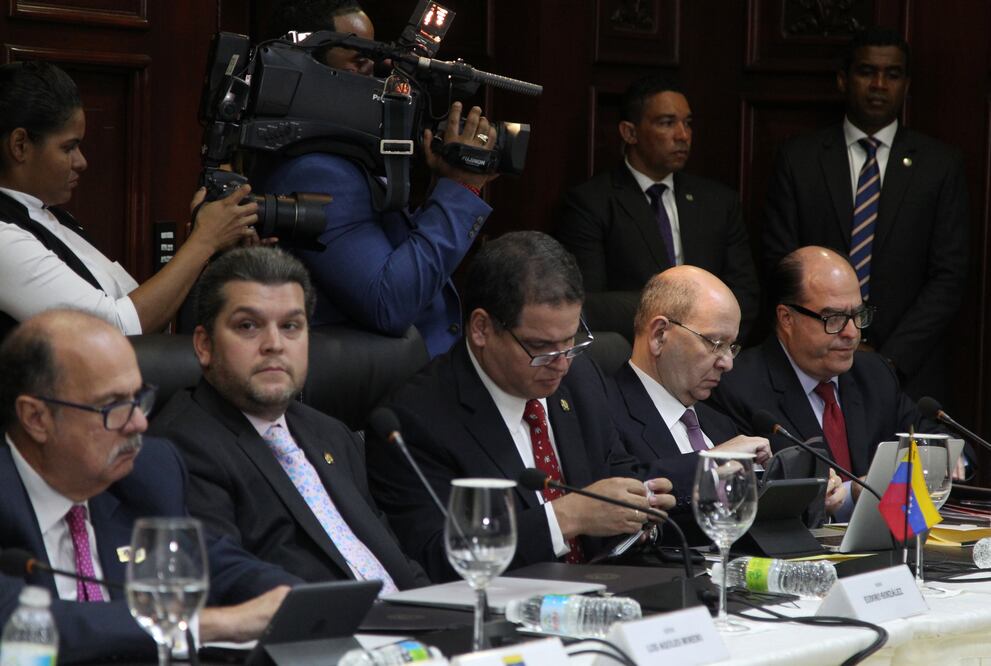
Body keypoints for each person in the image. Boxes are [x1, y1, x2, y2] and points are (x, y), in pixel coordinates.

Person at [367, 232, 676, 581]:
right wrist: (566, 517)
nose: (561, 364)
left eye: (570, 340)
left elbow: (618, 470)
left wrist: (639, 508)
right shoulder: (415, 420)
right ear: (481, 329)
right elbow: (435, 558)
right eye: (540, 347)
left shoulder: (580, 378)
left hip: (603, 590)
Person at [0, 310, 298, 663]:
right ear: (36, 418)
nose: (139, 423)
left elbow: (214, 564)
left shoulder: (147, 471)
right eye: (113, 406)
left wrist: (298, 600)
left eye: (138, 398)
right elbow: (13, 622)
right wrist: (207, 624)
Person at [150, 247, 428, 590]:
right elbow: (224, 584)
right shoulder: (179, 448)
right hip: (316, 622)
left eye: (290, 326)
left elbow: (396, 561)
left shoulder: (331, 434)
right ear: (204, 345)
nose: (274, 344)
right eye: (248, 325)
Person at [262, 0, 497, 358]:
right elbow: (390, 301)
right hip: (374, 386)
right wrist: (462, 187)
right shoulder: (315, 172)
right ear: (306, 65)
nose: (376, 73)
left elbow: (398, 254)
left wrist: (443, 184)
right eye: (359, 59)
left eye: (374, 58)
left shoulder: (345, 154)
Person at [762, 26, 969, 401]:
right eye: (867, 72)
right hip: (808, 363)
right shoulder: (800, 158)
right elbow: (782, 261)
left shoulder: (940, 165)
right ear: (843, 79)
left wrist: (888, 360)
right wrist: (828, 338)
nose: (879, 85)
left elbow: (948, 277)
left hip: (908, 371)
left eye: (892, 74)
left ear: (906, 85)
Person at [0, 60, 260, 338]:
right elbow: (115, 331)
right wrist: (204, 240)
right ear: (20, 146)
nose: (81, 162)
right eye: (68, 148)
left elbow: (144, 314)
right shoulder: (4, 237)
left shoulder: (54, 217)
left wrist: (211, 251)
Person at [708, 246, 939, 514]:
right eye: (835, 318)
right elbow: (739, 499)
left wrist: (944, 459)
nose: (851, 333)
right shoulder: (737, 386)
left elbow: (937, 441)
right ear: (787, 318)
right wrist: (847, 494)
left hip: (881, 536)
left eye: (858, 315)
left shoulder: (873, 373)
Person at [556, 75, 759, 341]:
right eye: (667, 123)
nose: (683, 135)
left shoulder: (719, 202)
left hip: (712, 351)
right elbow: (590, 304)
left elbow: (745, 294)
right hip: (630, 350)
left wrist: (708, 345)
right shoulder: (591, 202)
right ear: (629, 132)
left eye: (687, 123)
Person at [610, 265, 775, 524]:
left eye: (731, 347)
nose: (728, 363)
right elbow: (625, 494)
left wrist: (809, 495)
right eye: (715, 343)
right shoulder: (605, 409)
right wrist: (711, 463)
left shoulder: (719, 422)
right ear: (659, 336)